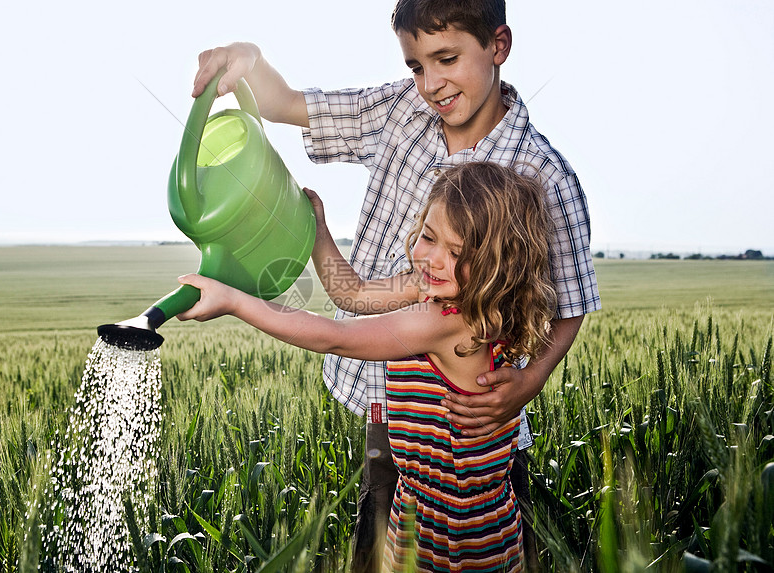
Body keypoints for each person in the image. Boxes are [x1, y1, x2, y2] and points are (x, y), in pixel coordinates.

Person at [192, 0, 601, 569]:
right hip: (396, 426)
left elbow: (574, 303)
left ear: (499, 47)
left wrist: (528, 383)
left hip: (477, 437)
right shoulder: (400, 115)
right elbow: (353, 296)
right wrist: (250, 60)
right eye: (415, 66)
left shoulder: (543, 175)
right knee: (384, 535)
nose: (430, 84)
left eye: (447, 58)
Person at [177, 161, 558, 572]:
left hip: (458, 539)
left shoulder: (448, 323)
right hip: (422, 514)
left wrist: (235, 301)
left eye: (456, 253)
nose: (431, 259)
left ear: (495, 266)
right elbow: (351, 292)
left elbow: (333, 336)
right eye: (428, 237)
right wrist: (318, 231)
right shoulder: (451, 295)